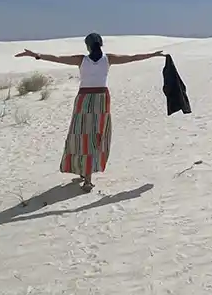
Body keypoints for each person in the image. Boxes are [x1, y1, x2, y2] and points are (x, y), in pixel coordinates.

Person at [15, 33, 164, 192]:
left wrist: (35, 55)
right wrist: (152, 55)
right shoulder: (108, 58)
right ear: (101, 44)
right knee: (96, 134)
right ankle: (86, 174)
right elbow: (132, 57)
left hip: (84, 99)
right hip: (101, 99)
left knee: (80, 134)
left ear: (87, 45)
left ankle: (86, 175)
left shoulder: (81, 59)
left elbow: (57, 58)